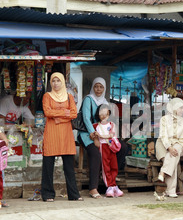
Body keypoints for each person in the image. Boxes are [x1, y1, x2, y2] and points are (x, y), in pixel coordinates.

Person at [77, 77, 128, 199]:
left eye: (101, 87)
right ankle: (93, 188)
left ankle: (111, 180)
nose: (98, 89)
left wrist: (112, 135)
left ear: (104, 88)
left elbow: (108, 120)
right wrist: (94, 136)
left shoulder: (105, 102)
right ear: (93, 87)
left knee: (122, 148)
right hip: (87, 133)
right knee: (95, 153)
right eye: (96, 86)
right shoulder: (88, 100)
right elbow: (86, 118)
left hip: (103, 133)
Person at [41, 72, 82, 202]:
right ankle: (47, 194)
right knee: (48, 166)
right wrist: (64, 113)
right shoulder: (47, 96)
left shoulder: (69, 97)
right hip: (51, 133)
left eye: (58, 81)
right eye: (53, 81)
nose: (56, 83)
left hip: (66, 134)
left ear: (63, 82)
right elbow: (47, 112)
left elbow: (74, 114)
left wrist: (57, 118)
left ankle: (74, 194)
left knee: (69, 166)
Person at [156, 98, 183, 198]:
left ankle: (163, 172)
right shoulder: (164, 119)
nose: (182, 110)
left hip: (179, 143)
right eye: (180, 108)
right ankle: (170, 190)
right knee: (170, 158)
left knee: (174, 153)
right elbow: (163, 135)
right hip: (163, 143)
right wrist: (169, 147)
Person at [93, 104, 123, 198]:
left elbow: (111, 135)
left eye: (106, 113)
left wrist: (100, 136)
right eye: (101, 113)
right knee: (105, 166)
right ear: (98, 114)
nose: (103, 115)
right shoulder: (95, 126)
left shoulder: (112, 124)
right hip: (102, 147)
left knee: (114, 165)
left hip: (111, 146)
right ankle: (110, 186)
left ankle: (114, 185)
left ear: (109, 113)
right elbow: (92, 136)